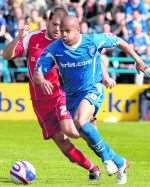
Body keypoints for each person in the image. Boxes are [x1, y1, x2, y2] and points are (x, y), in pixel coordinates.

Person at [33, 16, 148, 185]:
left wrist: (137, 60)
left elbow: (119, 41)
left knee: (81, 120)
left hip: (93, 88)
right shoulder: (55, 49)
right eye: (61, 31)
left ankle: (108, 160)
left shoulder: (93, 41)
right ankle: (119, 161)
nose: (63, 34)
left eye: (67, 31)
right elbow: (38, 71)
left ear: (78, 30)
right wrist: (41, 79)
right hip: (72, 97)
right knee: (87, 135)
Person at [2, 7, 101, 180]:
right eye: (54, 24)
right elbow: (6, 55)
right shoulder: (33, 38)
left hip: (60, 96)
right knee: (61, 142)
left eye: (61, 27)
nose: (57, 29)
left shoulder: (66, 44)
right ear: (48, 21)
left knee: (70, 130)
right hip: (40, 102)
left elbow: (90, 58)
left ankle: (91, 127)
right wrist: (18, 38)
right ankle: (93, 168)